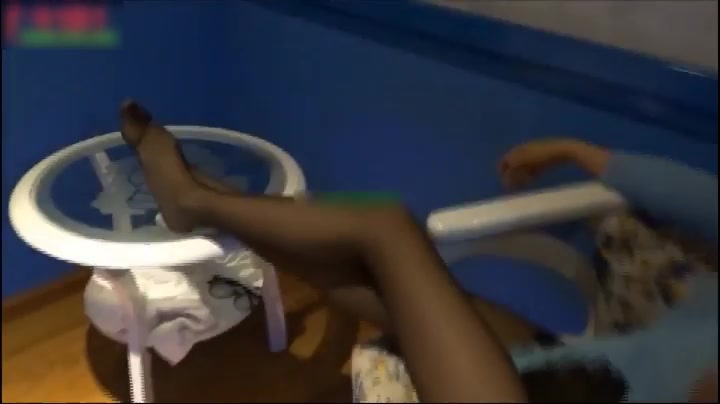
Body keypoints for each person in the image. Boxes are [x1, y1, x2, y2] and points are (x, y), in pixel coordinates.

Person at [121, 100, 717, 402]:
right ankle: (208, 199)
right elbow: (698, 196)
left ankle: (195, 201)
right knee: (379, 276)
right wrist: (574, 150)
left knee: (387, 226)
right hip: (580, 374)